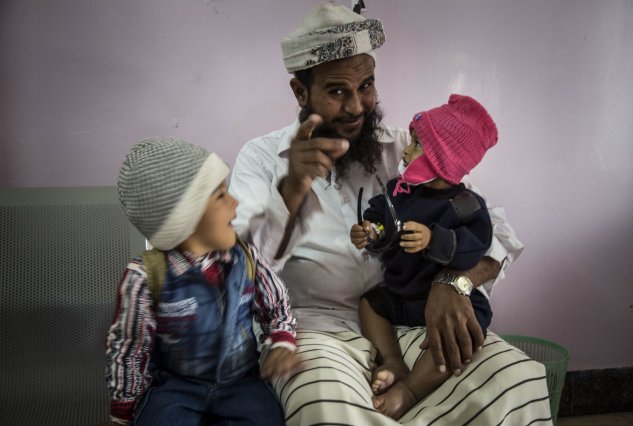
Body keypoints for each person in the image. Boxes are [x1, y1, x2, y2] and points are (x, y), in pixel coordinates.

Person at [230, 3, 552, 425]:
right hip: (318, 332)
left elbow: (496, 231)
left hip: (413, 317)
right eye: (337, 91)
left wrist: (452, 282)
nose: (356, 107)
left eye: (366, 85)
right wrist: (289, 192)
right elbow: (239, 268)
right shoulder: (262, 158)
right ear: (300, 92)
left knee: (518, 377)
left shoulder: (410, 151)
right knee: (326, 409)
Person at [105, 137, 298, 426]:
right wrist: (123, 410)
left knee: (268, 419)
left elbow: (277, 307)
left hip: (241, 382)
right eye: (221, 195)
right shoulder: (145, 277)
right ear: (185, 217)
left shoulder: (247, 258)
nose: (235, 201)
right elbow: (131, 348)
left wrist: (282, 343)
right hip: (176, 387)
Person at [350, 94, 498, 419]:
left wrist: (435, 239)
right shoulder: (399, 192)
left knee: (461, 335)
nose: (405, 150)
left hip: (443, 301)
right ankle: (391, 360)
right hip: (402, 293)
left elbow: (478, 242)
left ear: (442, 159)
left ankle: (411, 389)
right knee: (370, 303)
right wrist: (371, 231)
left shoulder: (463, 203)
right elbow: (379, 215)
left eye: (416, 144)